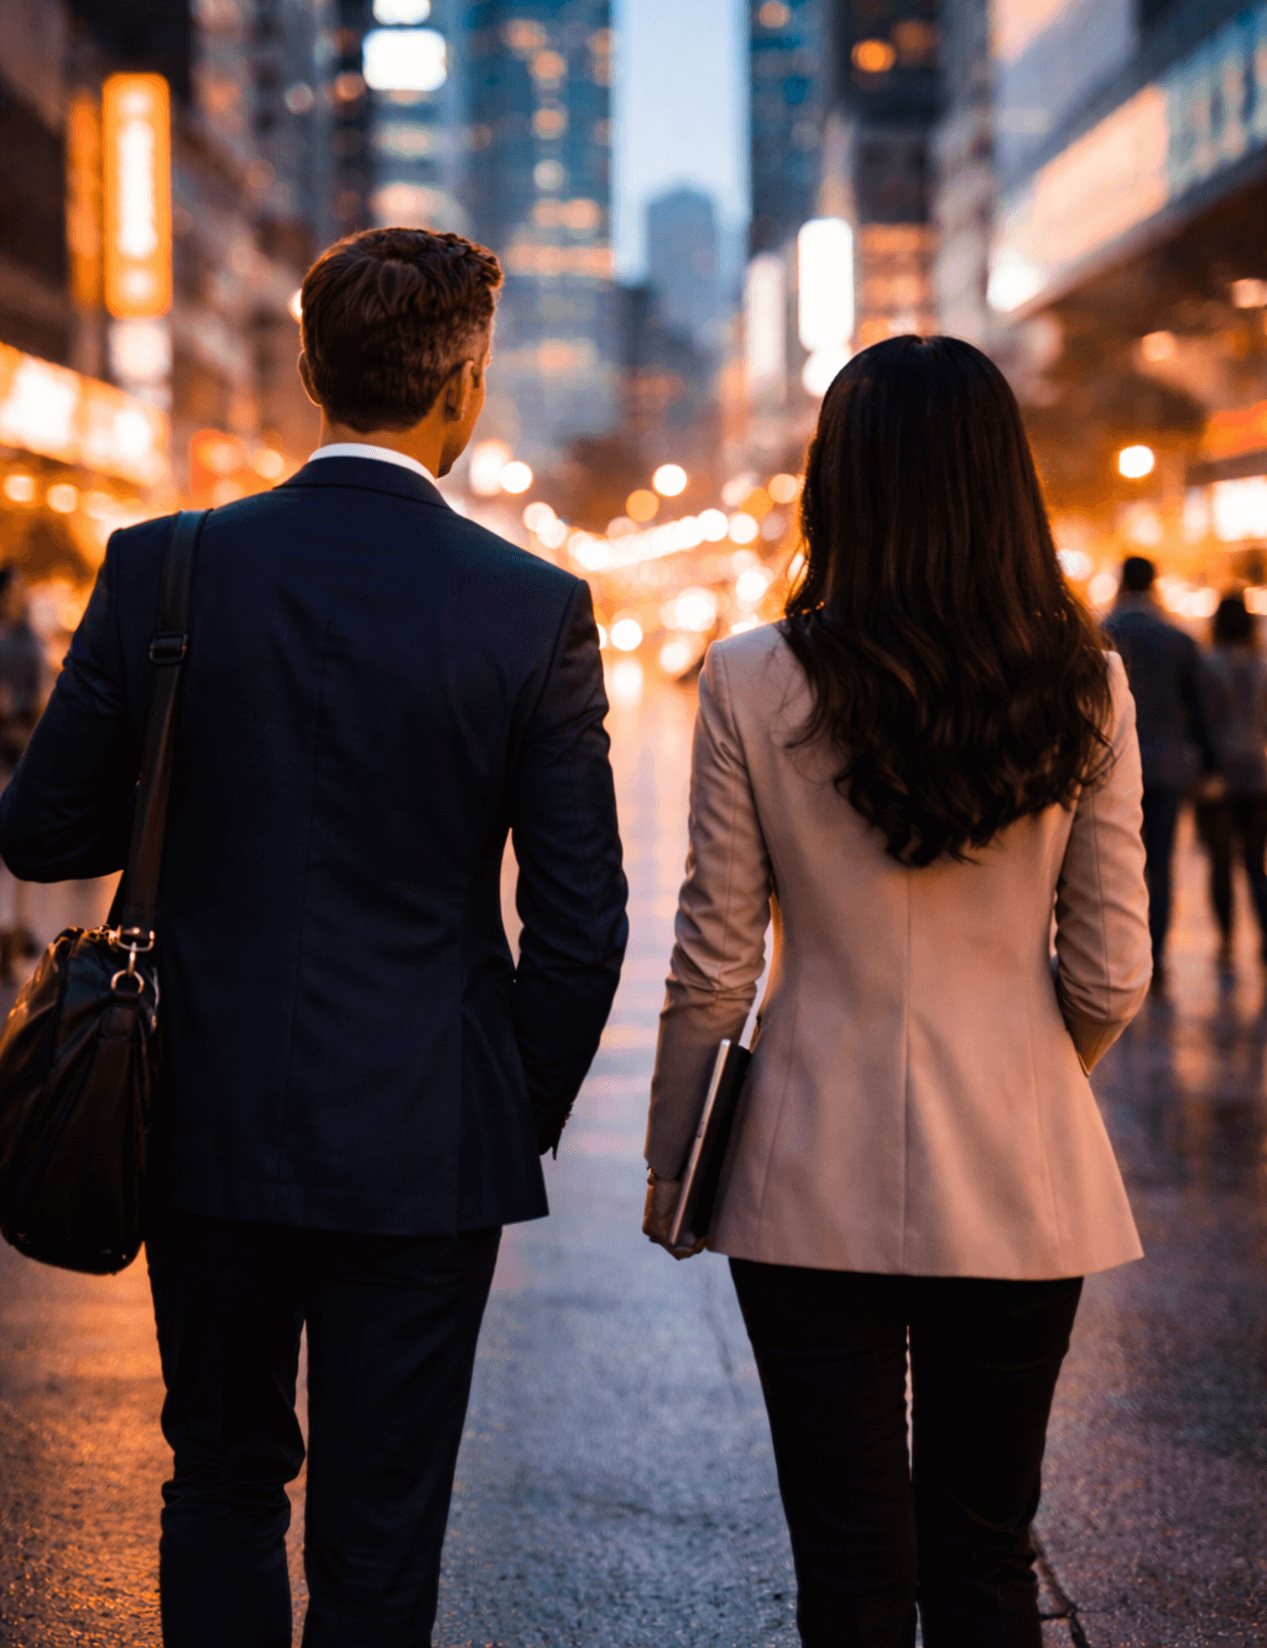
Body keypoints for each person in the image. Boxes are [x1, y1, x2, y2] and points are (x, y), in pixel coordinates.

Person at [0, 228, 629, 1648]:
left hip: (197, 1110)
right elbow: (580, 921)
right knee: (380, 1530)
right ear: (461, 386)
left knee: (219, 1479)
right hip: (428, 1135)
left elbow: (40, 834)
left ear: (306, 371)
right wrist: (501, 1106)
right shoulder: (531, 609)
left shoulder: (165, 569)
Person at [642, 335, 1150, 1648]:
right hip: (1024, 1170)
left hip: (803, 1164)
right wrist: (1028, 1074)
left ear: (835, 482)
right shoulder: (1081, 678)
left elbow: (712, 958)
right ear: (1002, 481)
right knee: (983, 1556)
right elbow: (1109, 967)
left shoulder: (754, 673)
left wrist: (670, 1160)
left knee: (848, 1567)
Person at [1103, 554, 1214, 986]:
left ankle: (1121, 960)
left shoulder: (1101, 632)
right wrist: (1208, 765)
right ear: (1154, 584)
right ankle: (1158, 956)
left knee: (1115, 864)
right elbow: (1198, 710)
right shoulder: (1179, 640)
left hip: (1111, 765)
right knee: (1162, 862)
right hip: (1168, 765)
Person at [1196, 590, 1267, 968]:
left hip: (1217, 779)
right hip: (1257, 775)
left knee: (1220, 864)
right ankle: (1265, 938)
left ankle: (1225, 941)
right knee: (1257, 864)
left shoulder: (1207, 668)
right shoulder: (1261, 667)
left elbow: (1203, 722)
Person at [0, 565, 43, 978]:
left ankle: (12, 941)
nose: (17, 595)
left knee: (15, 857)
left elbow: (37, 696)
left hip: (16, 755)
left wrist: (14, 707)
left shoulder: (29, 640)